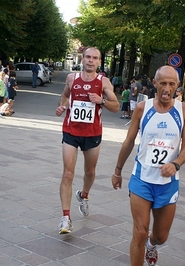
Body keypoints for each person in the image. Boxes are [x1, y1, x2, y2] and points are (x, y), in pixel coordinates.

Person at [111, 66, 185, 266]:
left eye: (171, 84)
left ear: (177, 86)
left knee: (161, 236)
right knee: (139, 232)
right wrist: (118, 170)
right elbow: (129, 141)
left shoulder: (184, 110)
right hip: (142, 179)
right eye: (163, 83)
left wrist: (176, 163)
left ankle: (152, 244)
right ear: (154, 84)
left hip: (168, 183)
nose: (167, 88)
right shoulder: (142, 108)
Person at [55, 47, 119, 234]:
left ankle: (84, 195)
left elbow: (115, 106)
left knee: (90, 172)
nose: (91, 61)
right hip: (71, 130)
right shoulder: (72, 79)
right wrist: (62, 106)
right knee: (68, 173)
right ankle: (65, 218)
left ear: (99, 62)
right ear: (82, 59)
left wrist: (101, 101)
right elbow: (65, 96)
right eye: (88, 57)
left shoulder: (104, 82)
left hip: (92, 133)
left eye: (95, 58)